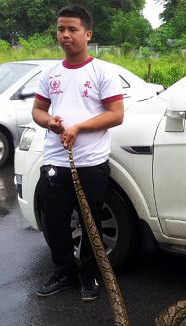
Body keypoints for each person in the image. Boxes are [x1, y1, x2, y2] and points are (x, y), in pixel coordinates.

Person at [32, 4, 124, 302]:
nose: (66, 35)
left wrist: (80, 127)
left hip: (91, 163)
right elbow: (38, 110)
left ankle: (88, 274)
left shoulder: (102, 72)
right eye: (61, 29)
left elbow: (116, 114)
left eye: (72, 29)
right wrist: (50, 122)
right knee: (54, 221)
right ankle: (63, 271)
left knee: (90, 221)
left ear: (87, 34)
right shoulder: (50, 73)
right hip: (55, 161)